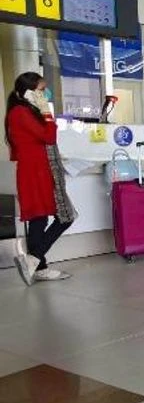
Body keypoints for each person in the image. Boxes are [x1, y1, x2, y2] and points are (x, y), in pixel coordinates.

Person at [6, 72, 75, 285]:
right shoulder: (20, 112)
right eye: (40, 90)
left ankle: (38, 265)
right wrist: (47, 113)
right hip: (35, 173)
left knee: (41, 218)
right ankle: (35, 261)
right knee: (61, 217)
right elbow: (48, 136)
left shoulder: (26, 111)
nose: (44, 94)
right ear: (27, 92)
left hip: (39, 170)